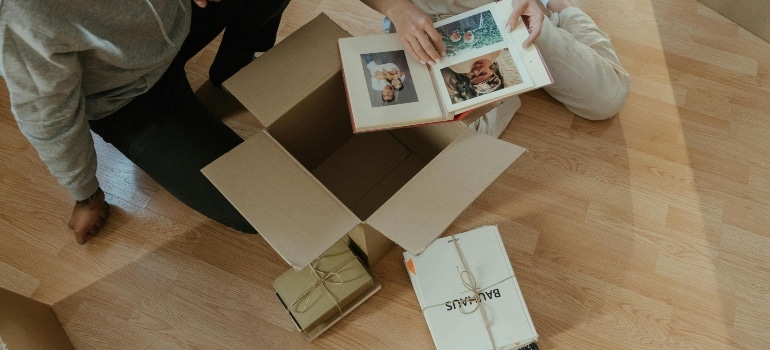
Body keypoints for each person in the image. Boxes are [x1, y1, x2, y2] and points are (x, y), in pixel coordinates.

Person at [0, 0, 291, 244]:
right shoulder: (18, 17)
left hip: (179, 14)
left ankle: (234, 65)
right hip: (125, 96)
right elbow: (48, 118)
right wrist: (86, 194)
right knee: (257, 207)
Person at [360, 0, 630, 137]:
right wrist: (393, 6)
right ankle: (507, 84)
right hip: (423, 20)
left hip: (507, 9)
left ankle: (561, 6)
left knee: (607, 99)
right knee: (456, 141)